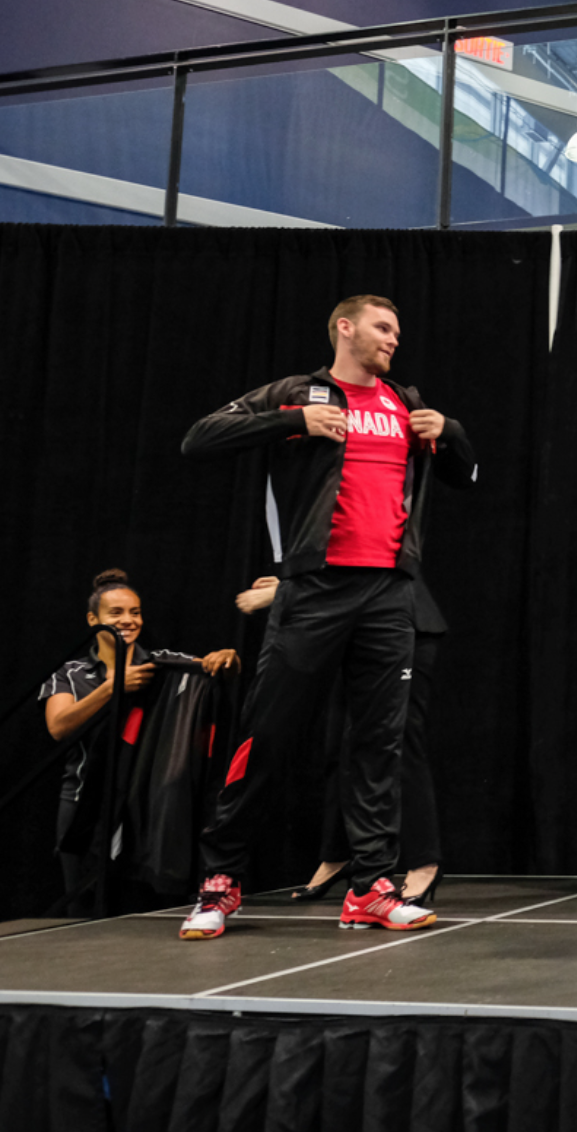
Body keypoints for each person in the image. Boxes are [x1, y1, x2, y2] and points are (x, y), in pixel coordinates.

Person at [177, 294, 475, 939]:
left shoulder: (406, 404)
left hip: (390, 594)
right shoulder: (299, 394)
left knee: (378, 744)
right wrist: (291, 421)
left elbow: (466, 476)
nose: (394, 339)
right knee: (268, 734)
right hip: (315, 590)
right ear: (345, 328)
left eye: (398, 330)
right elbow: (198, 439)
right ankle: (220, 881)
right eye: (382, 327)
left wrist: (448, 433)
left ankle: (371, 886)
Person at [236, 574, 447, 907]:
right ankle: (339, 855)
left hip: (400, 623)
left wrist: (286, 591)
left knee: (395, 743)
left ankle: (424, 862)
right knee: (339, 746)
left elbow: (368, 565)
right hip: (347, 630)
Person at [40, 568, 237, 912]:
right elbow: (58, 727)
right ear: (93, 619)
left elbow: (214, 671)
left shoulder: (162, 664)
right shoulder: (70, 674)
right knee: (82, 908)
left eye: (135, 612)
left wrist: (229, 660)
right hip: (83, 803)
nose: (128, 621)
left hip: (145, 808)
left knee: (140, 910)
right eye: (116, 613)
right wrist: (112, 688)